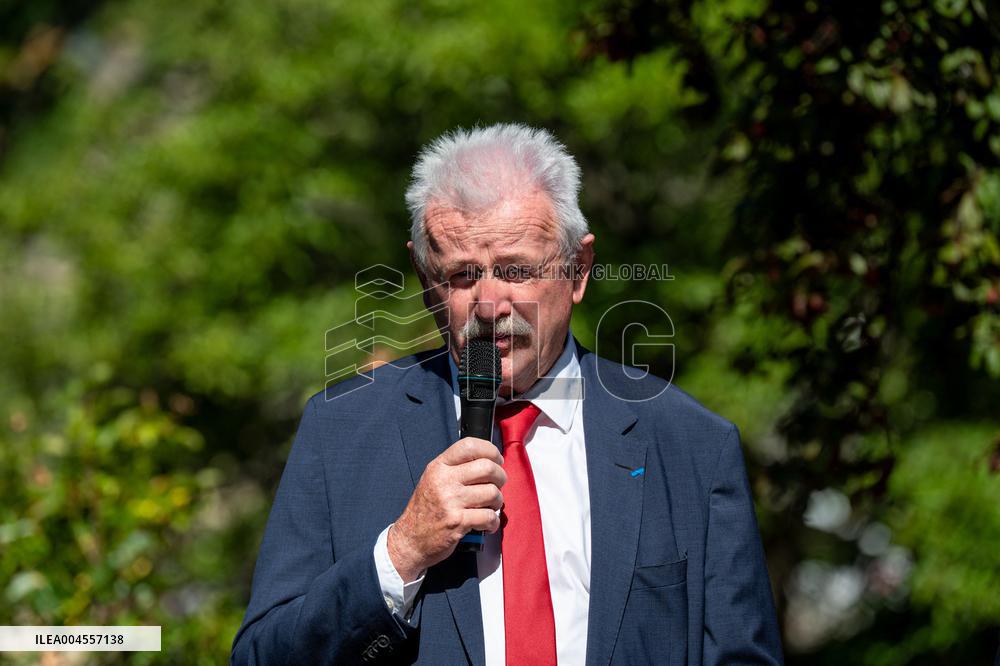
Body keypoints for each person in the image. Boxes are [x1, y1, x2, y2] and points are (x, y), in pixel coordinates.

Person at [231, 123, 783, 665]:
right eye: (463, 275)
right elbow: (262, 655)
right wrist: (401, 552)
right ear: (426, 281)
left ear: (578, 269)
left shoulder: (690, 446)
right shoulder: (342, 430)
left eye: (516, 269)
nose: (491, 304)